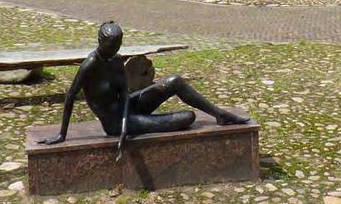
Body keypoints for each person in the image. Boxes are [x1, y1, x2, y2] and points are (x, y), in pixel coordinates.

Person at [39, 22, 249, 154]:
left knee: (175, 80)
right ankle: (143, 123)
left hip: (128, 108)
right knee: (187, 118)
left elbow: (123, 93)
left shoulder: (116, 60)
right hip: (114, 123)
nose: (115, 50)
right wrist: (62, 135)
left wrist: (126, 124)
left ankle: (220, 115)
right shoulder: (90, 66)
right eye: (111, 45)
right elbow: (69, 98)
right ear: (100, 41)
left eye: (118, 45)